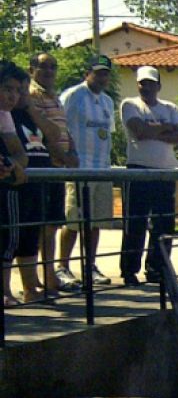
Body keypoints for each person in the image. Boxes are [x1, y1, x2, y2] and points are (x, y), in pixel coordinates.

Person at [118, 66, 178, 287]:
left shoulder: (170, 107)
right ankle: (129, 271)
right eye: (142, 83)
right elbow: (138, 130)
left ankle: (157, 268)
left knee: (164, 223)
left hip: (165, 171)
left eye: (150, 83)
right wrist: (166, 129)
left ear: (158, 86)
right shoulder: (130, 105)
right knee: (135, 223)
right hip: (138, 169)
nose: (146, 87)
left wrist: (155, 129)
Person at [57, 55, 115, 289]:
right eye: (98, 72)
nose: (102, 77)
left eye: (105, 73)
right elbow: (60, 127)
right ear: (87, 73)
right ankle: (62, 266)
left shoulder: (107, 101)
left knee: (96, 221)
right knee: (73, 221)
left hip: (102, 168)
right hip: (79, 168)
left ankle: (89, 266)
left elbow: (107, 133)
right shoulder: (72, 96)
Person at [28, 52, 77, 298]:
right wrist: (63, 156)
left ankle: (45, 278)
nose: (49, 72)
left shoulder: (54, 96)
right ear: (32, 69)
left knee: (52, 226)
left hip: (58, 168)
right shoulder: (32, 95)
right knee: (45, 228)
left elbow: (62, 129)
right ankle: (46, 280)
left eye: (53, 67)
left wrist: (73, 150)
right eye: (44, 67)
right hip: (46, 167)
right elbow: (43, 133)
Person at [0, 61, 30, 306]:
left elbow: (20, 153)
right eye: (8, 89)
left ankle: (5, 290)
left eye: (18, 90)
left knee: (8, 235)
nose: (14, 96)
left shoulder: (4, 115)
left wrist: (13, 165)